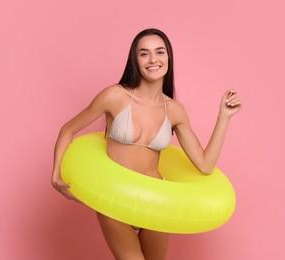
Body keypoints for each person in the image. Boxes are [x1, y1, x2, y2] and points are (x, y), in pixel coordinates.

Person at [51, 28, 242, 260]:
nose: (153, 59)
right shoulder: (114, 96)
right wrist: (56, 175)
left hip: (155, 199)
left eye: (159, 52)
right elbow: (68, 130)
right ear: (135, 60)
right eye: (144, 53)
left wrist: (224, 117)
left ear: (168, 59)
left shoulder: (174, 110)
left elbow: (205, 165)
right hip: (116, 197)